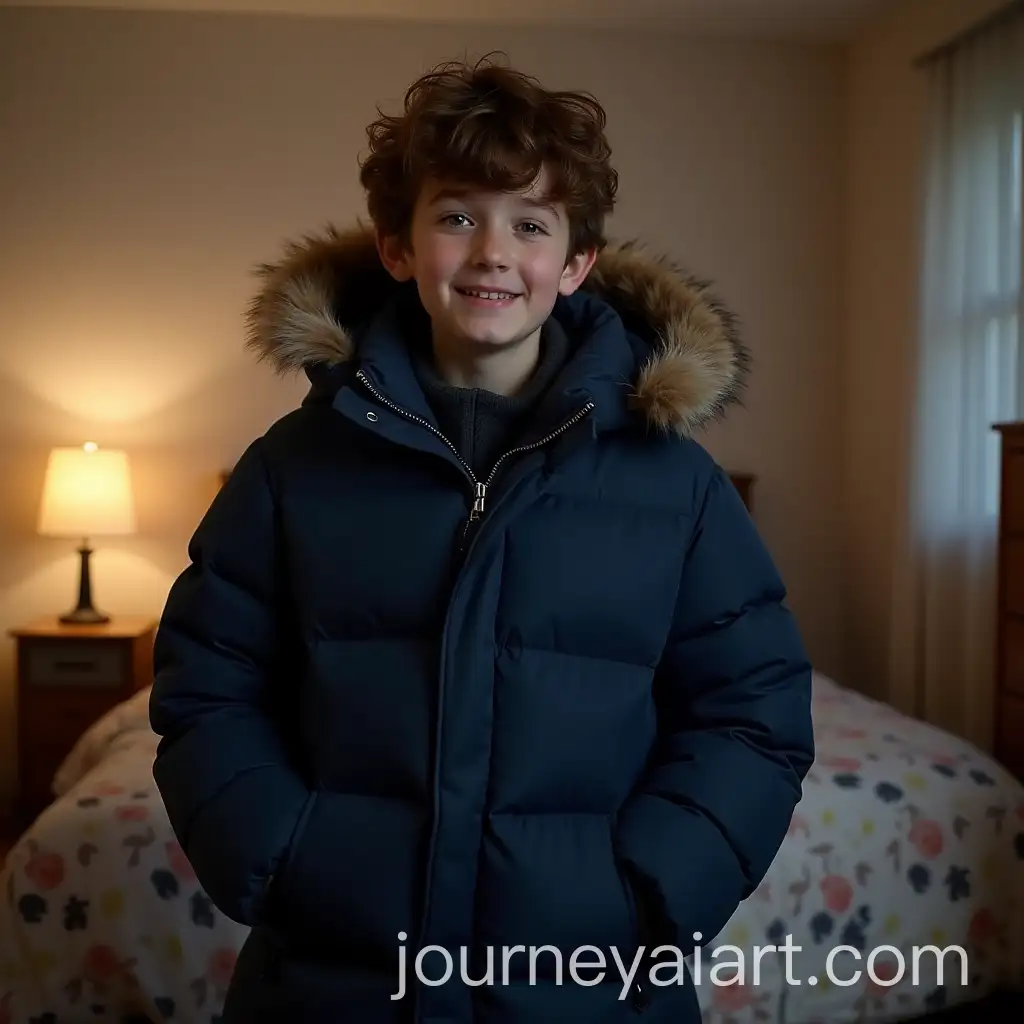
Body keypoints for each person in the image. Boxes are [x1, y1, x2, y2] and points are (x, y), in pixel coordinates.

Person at [149, 54, 814, 1024]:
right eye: (457, 216)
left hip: (590, 981)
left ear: (576, 264)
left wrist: (644, 887)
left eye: (531, 224)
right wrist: (284, 852)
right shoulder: (293, 468)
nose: (493, 252)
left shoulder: (676, 486)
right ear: (397, 247)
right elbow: (209, 684)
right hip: (336, 975)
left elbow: (751, 711)